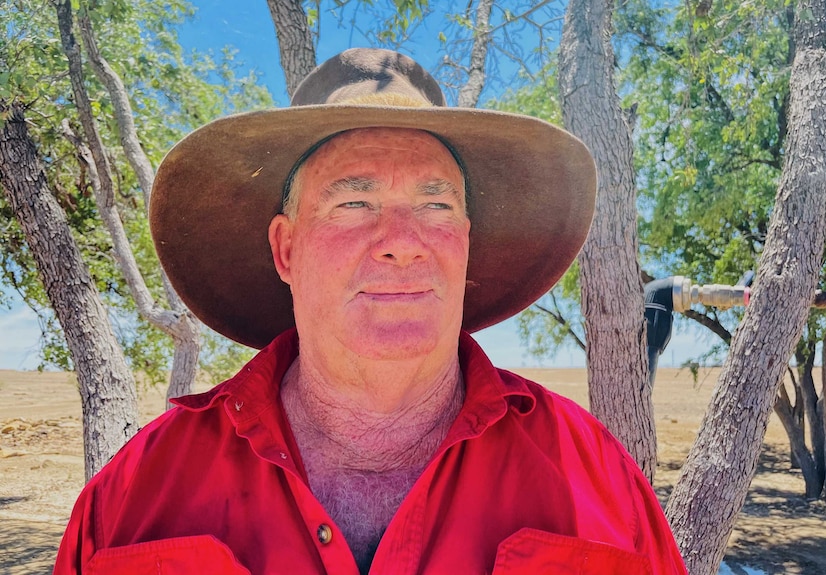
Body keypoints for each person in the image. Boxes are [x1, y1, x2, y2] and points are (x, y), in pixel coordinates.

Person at [54, 48, 687, 575]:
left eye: (436, 206)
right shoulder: (136, 497)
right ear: (286, 248)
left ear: (465, 247)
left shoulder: (597, 480)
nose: (402, 241)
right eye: (354, 203)